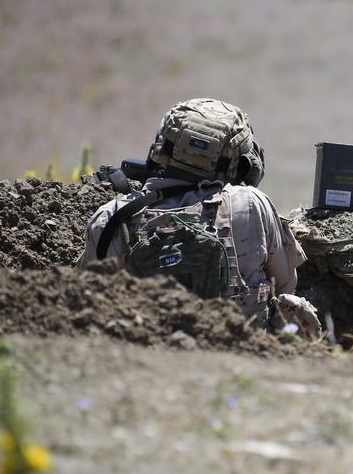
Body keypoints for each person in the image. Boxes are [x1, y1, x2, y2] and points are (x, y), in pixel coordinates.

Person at [78, 98, 315, 332]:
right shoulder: (251, 204)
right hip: (239, 359)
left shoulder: (110, 218)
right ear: (240, 163)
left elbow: (81, 298)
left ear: (160, 150)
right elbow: (285, 287)